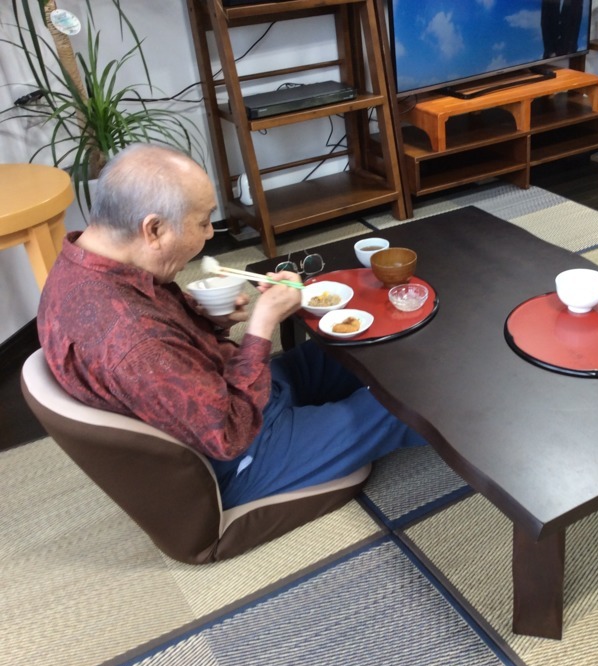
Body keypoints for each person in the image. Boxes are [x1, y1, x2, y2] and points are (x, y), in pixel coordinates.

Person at [37, 143, 426, 509]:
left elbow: (170, 351)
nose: (210, 234)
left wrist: (207, 319)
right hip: (241, 448)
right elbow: (229, 434)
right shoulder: (132, 340)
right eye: (204, 222)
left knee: (352, 344)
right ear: (153, 229)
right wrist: (262, 324)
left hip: (226, 388)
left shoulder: (84, 261)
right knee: (405, 403)